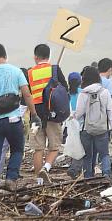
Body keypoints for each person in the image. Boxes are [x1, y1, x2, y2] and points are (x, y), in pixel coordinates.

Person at [0, 43, 40, 184]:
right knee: (17, 150)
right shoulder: (17, 71)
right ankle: (11, 178)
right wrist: (34, 114)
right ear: (6, 55)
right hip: (14, 120)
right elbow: (27, 95)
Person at [28, 44, 68, 174]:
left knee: (38, 149)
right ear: (49, 56)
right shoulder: (55, 70)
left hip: (35, 115)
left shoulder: (29, 72)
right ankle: (46, 167)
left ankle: (39, 181)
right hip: (53, 113)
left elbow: (27, 94)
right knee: (55, 146)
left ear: (35, 57)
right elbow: (65, 90)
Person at [74, 67, 112, 178]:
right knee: (104, 154)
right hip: (102, 129)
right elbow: (110, 111)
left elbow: (79, 113)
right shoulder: (105, 92)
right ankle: (106, 174)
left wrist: (71, 119)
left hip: (85, 129)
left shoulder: (83, 94)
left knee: (87, 156)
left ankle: (88, 176)